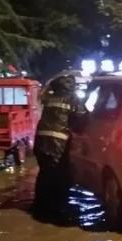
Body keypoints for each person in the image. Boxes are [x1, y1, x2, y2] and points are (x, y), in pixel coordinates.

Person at [33, 74, 86, 216]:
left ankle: (40, 205)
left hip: (40, 141)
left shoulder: (49, 98)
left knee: (44, 172)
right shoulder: (73, 99)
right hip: (57, 144)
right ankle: (57, 208)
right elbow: (82, 119)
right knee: (59, 175)